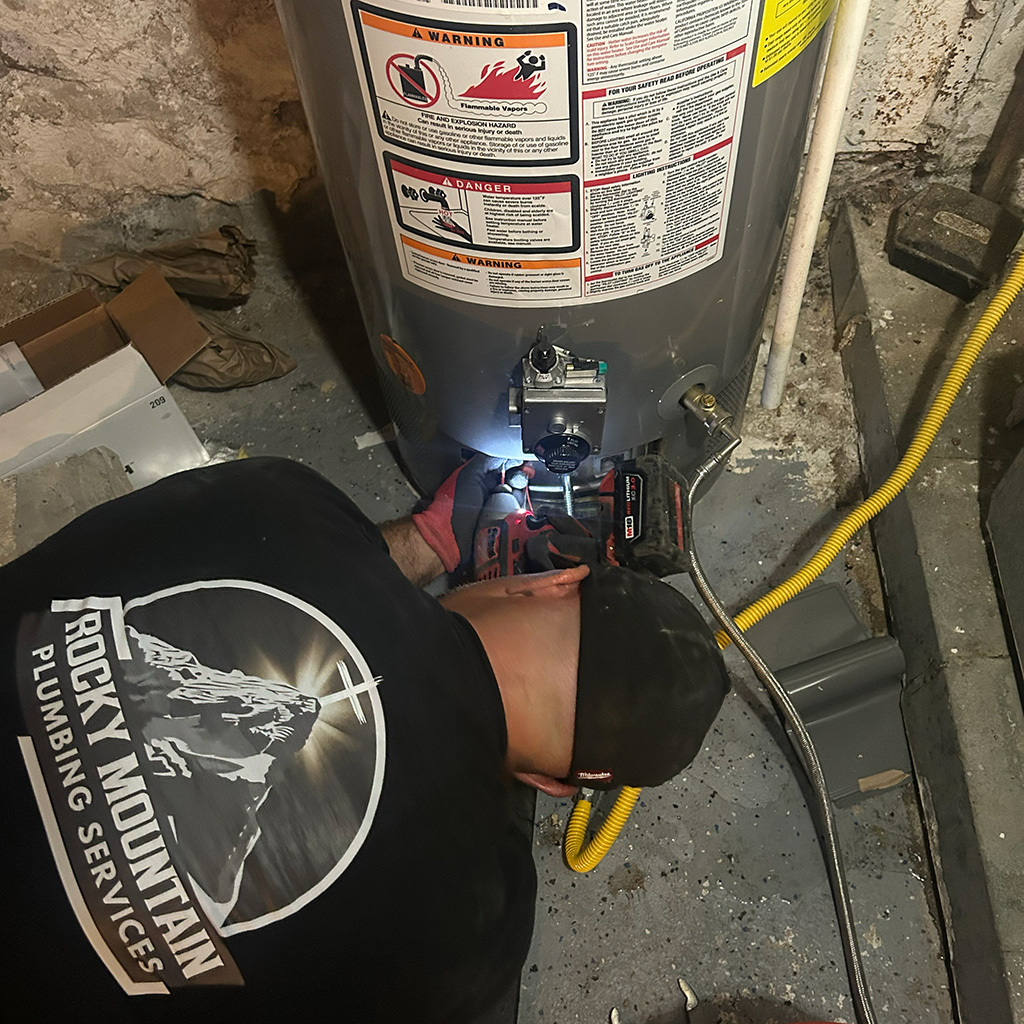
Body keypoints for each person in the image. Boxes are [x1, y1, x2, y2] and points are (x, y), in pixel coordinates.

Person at [0, 455, 729, 1022]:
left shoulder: (281, 504)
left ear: (552, 583)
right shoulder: (472, 936)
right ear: (553, 784)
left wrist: (426, 540)